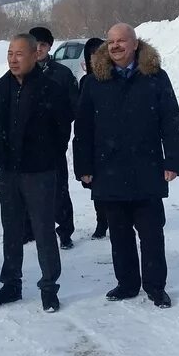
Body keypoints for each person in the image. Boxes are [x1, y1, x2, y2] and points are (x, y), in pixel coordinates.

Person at [73, 23, 179, 309]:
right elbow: (83, 127)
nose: (115, 46)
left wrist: (172, 161)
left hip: (146, 168)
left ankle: (156, 287)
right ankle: (127, 283)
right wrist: (83, 166)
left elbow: (171, 122)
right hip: (108, 170)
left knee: (151, 234)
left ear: (135, 44)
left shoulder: (155, 77)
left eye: (121, 41)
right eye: (111, 41)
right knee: (119, 235)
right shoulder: (95, 80)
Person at [0, 33, 73, 313]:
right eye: (10, 53)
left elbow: (62, 130)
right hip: (9, 171)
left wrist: (47, 156)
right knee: (11, 228)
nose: (13, 59)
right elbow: (1, 129)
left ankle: (49, 287)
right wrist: (3, 158)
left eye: (19, 54)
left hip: (40, 171)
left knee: (43, 229)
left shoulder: (51, 88)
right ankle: (11, 283)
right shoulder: (0, 88)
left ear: (35, 55)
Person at [28, 26, 79, 250]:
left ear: (49, 47)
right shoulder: (22, 71)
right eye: (35, 44)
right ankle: (30, 230)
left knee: (59, 190)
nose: (38, 49)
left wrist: (58, 121)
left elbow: (74, 106)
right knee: (30, 191)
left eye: (43, 45)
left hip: (55, 143)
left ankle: (65, 230)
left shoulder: (62, 73)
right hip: (28, 145)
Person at [79, 37, 108, 240]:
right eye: (90, 55)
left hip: (110, 143)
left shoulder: (109, 79)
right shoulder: (85, 82)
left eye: (97, 54)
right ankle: (101, 222)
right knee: (97, 189)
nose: (93, 59)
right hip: (94, 144)